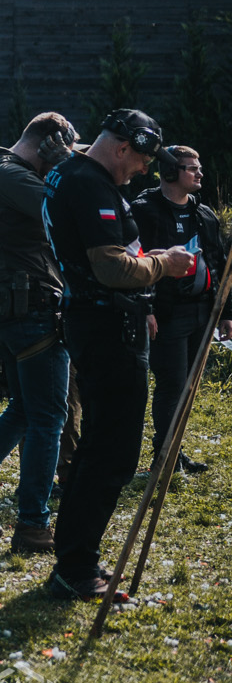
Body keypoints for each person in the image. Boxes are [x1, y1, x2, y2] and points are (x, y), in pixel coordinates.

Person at [42, 109, 197, 602]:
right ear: (122, 146)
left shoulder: (71, 171)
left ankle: (75, 558)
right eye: (142, 162)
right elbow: (111, 266)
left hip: (104, 320)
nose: (142, 173)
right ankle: (75, 566)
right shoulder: (88, 183)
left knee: (98, 448)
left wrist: (143, 302)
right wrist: (164, 264)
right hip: (107, 325)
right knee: (113, 453)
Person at [0, 112, 79, 555]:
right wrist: (69, 166)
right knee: (49, 418)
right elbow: (71, 206)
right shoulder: (12, 177)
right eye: (61, 150)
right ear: (49, 144)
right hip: (28, 312)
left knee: (26, 410)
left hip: (7, 312)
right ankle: (32, 526)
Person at [131, 144, 223, 476]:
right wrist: (146, 308)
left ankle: (175, 453)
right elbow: (134, 261)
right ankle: (165, 457)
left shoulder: (204, 213)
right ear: (170, 172)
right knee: (172, 384)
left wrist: (225, 313)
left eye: (199, 167)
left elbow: (218, 262)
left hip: (201, 311)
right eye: (191, 168)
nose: (199, 173)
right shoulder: (144, 211)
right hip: (166, 314)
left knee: (188, 384)